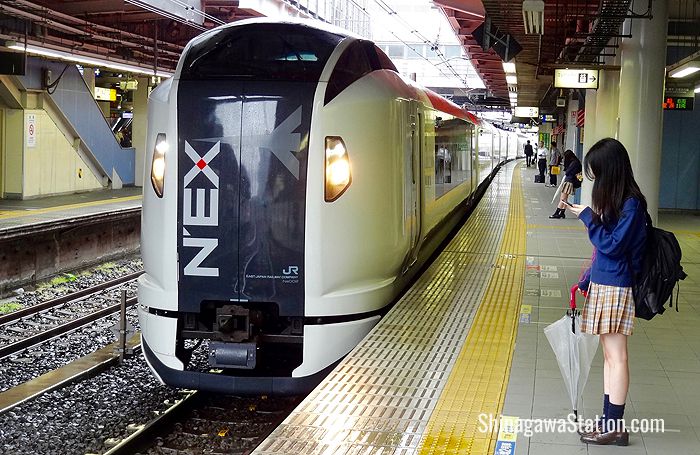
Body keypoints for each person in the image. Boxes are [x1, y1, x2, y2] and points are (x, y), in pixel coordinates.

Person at [567, 138, 647, 447]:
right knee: (610, 358)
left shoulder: (631, 204)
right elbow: (603, 251)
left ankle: (614, 426)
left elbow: (613, 246)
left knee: (617, 357)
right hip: (604, 284)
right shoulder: (619, 203)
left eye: (598, 174)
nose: (596, 180)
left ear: (611, 172)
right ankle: (607, 420)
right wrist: (587, 280)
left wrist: (588, 217)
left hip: (616, 287)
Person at [549, 149, 581, 219]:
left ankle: (557, 213)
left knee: (562, 198)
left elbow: (567, 172)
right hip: (570, 182)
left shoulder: (574, 163)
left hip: (568, 182)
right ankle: (562, 213)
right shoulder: (576, 162)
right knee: (565, 199)